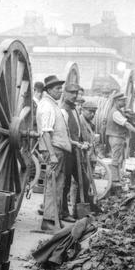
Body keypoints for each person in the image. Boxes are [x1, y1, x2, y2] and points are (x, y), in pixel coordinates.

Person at [36, 75, 71, 232]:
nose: (60, 91)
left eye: (60, 88)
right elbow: (45, 132)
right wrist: (52, 154)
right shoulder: (47, 106)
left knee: (58, 185)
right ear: (49, 90)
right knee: (52, 185)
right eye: (57, 88)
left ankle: (54, 218)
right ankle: (48, 221)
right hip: (54, 150)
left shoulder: (53, 105)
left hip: (59, 149)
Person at [61, 83, 93, 220]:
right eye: (72, 93)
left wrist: (82, 141)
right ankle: (64, 213)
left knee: (84, 181)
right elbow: (63, 135)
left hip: (76, 152)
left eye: (77, 93)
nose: (75, 96)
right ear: (65, 93)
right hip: (67, 151)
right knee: (65, 183)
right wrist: (77, 144)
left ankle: (79, 211)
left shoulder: (74, 110)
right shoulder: (63, 110)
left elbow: (77, 131)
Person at [106, 92, 135, 191]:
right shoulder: (115, 113)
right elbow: (126, 124)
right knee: (115, 159)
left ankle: (117, 178)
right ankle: (114, 181)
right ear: (116, 101)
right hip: (116, 138)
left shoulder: (119, 111)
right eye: (122, 101)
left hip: (118, 137)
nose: (124, 102)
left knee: (119, 159)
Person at [80, 100, 99, 171]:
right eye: (90, 111)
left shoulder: (90, 123)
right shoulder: (80, 121)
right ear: (82, 110)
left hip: (90, 154)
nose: (92, 114)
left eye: (94, 112)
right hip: (83, 154)